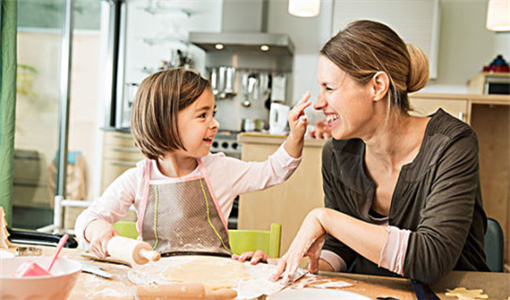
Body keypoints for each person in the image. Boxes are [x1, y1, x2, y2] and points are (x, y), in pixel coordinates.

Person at [235, 20, 490, 285]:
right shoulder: (337, 155)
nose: (320, 103)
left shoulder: (451, 144)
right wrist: (288, 266)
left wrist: (324, 218)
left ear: (377, 86)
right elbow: (341, 249)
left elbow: (431, 260)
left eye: (329, 88)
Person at [75, 68, 311, 258]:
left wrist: (295, 136)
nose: (215, 123)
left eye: (213, 113)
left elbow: (274, 171)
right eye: (202, 115)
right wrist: (96, 228)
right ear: (165, 123)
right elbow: (87, 218)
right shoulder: (137, 179)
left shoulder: (220, 170)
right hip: (157, 286)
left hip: (213, 285)